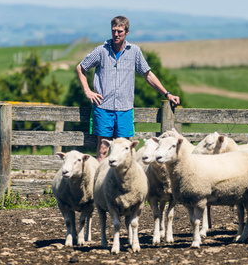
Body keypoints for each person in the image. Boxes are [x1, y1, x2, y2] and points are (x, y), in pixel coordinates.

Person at [76, 15, 180, 161]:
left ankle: (120, 184)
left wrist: (167, 94)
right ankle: (100, 183)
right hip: (103, 106)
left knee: (124, 149)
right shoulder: (101, 51)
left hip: (125, 108)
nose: (116, 34)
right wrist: (87, 91)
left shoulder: (134, 51)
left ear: (127, 32)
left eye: (120, 31)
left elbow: (148, 75)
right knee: (103, 149)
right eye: (114, 31)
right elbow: (81, 68)